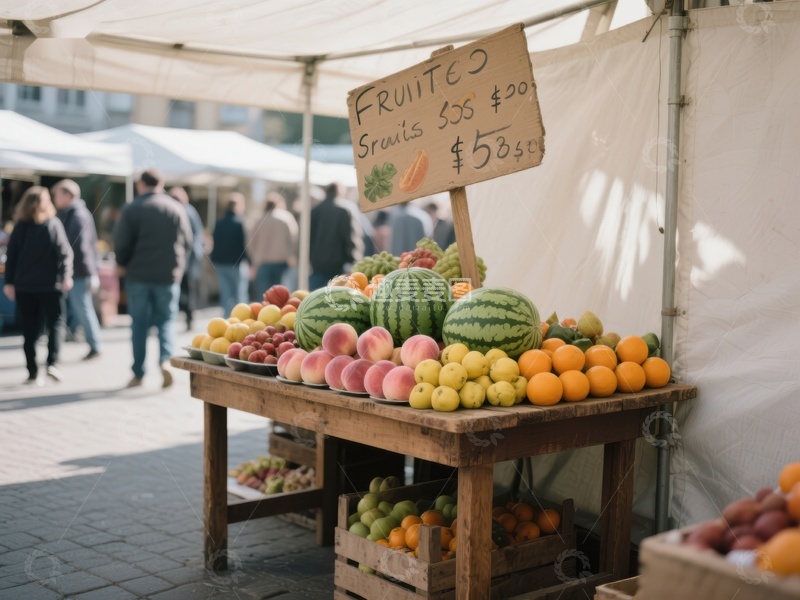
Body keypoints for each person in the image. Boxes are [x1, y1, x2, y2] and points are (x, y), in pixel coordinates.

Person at [114, 169, 193, 389]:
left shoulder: (133, 208)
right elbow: (187, 241)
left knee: (138, 324)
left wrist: (121, 263)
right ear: (161, 183)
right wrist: (179, 266)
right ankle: (165, 360)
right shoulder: (176, 207)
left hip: (138, 275)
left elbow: (122, 242)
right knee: (166, 320)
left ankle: (138, 372)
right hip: (168, 275)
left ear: (141, 184)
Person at [3, 186, 73, 384]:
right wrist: (66, 275)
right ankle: (50, 364)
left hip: (34, 286)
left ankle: (35, 370)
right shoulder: (49, 224)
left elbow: (11, 257)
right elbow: (65, 253)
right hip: (45, 286)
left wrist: (9, 282)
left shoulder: (25, 226)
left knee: (32, 329)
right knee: (51, 326)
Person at [53, 180, 102, 360]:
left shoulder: (77, 215)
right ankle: (86, 339)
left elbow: (76, 247)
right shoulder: (75, 213)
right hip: (81, 270)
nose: (55, 199)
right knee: (79, 307)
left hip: (79, 271)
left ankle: (95, 345)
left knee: (83, 308)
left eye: (58, 195)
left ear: (68, 195)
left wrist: (68, 271)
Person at [248, 192, 298, 299]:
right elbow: (293, 239)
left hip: (262, 263)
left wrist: (255, 258)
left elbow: (251, 243)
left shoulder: (258, 220)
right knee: (281, 298)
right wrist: (290, 255)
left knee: (263, 298)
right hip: (282, 262)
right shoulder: (286, 218)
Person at [168, 187, 205, 331]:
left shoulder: (185, 211)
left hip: (181, 258)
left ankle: (187, 316)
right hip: (186, 258)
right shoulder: (189, 211)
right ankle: (188, 317)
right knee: (187, 290)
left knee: (184, 289)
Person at [309, 185, 357, 290]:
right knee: (335, 301)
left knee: (315, 302)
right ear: (339, 192)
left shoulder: (315, 211)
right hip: (338, 266)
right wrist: (353, 260)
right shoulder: (344, 211)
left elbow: (308, 239)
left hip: (317, 265)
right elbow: (350, 239)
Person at [210, 192, 249, 316]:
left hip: (220, 262)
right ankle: (242, 319)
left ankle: (227, 320)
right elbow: (245, 245)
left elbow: (214, 241)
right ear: (238, 206)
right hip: (236, 263)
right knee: (239, 295)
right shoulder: (240, 223)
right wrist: (249, 262)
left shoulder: (219, 222)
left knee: (226, 294)